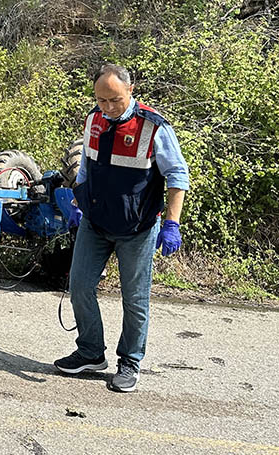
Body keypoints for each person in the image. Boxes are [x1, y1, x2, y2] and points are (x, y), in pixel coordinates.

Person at [54, 64, 190, 392]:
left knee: (135, 298)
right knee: (80, 287)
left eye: (115, 100)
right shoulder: (94, 119)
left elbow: (177, 176)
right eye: (101, 100)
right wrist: (78, 203)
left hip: (137, 228)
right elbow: (87, 167)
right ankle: (90, 352)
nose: (108, 107)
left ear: (131, 90)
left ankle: (130, 360)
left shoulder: (154, 127)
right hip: (95, 222)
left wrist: (171, 223)